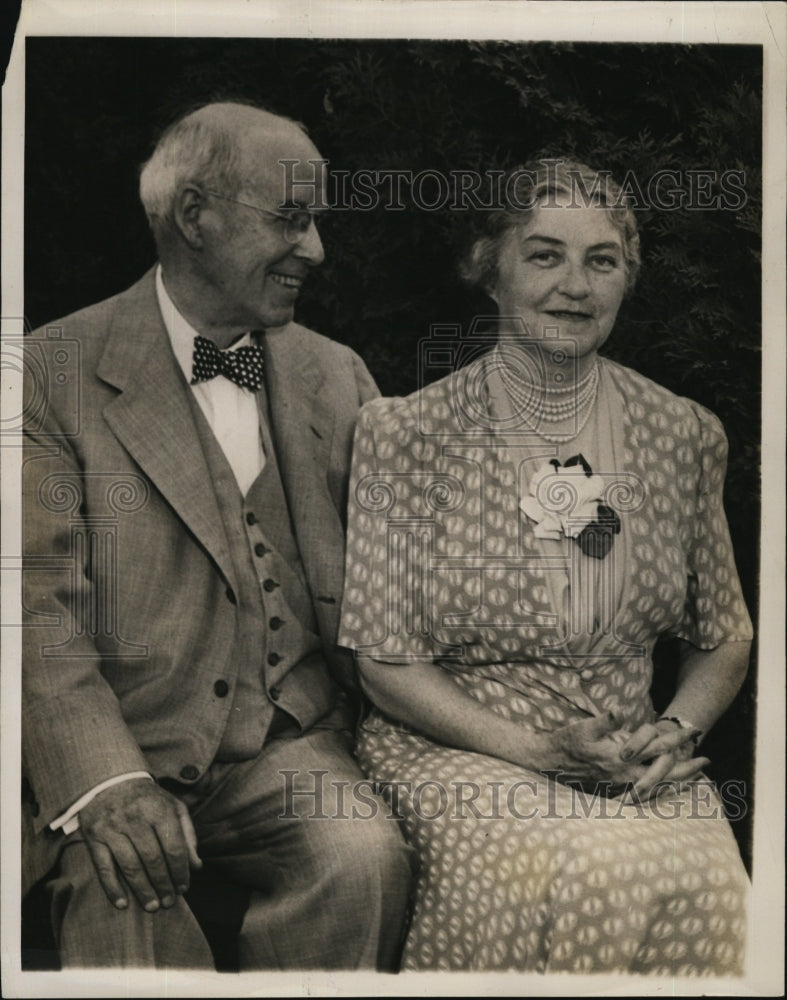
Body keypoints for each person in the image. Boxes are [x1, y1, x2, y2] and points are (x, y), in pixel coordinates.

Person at [22, 101, 413, 970]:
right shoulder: (51, 373)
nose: (315, 249)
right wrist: (110, 784)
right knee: (123, 893)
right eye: (290, 218)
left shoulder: (336, 374)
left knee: (363, 856)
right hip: (125, 753)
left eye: (314, 222)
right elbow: (32, 612)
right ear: (193, 216)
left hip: (287, 750)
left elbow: (404, 588)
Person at [339, 159, 753, 975]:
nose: (575, 284)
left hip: (630, 758)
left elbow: (724, 635)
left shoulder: (683, 433)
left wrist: (674, 730)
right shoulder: (404, 435)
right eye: (544, 255)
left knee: (713, 885)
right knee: (575, 869)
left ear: (626, 281)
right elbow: (383, 664)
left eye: (601, 260)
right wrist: (534, 751)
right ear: (488, 270)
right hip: (460, 749)